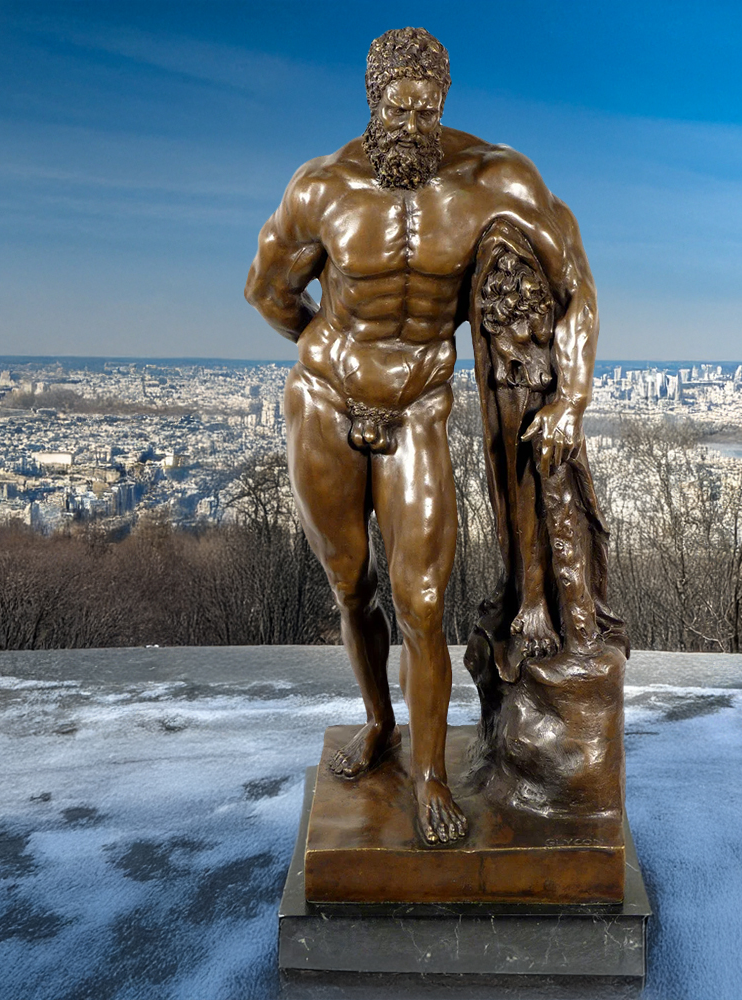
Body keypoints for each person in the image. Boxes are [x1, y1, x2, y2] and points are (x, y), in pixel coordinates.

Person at [244, 27, 598, 846]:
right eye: (394, 111)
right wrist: (335, 358)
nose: (408, 126)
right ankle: (379, 724)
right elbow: (268, 291)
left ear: (443, 104)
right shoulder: (322, 189)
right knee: (348, 584)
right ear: (371, 102)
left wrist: (571, 397)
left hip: (419, 410)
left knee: (424, 603)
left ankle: (432, 773)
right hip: (327, 403)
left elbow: (577, 287)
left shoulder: (494, 181)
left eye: (424, 111)